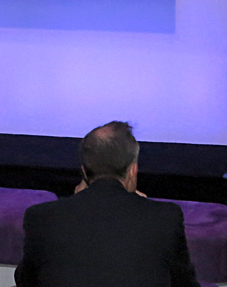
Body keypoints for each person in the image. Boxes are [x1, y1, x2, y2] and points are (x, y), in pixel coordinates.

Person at [15, 121, 198, 287]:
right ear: (133, 171)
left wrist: (72, 202)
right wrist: (145, 207)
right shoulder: (165, 217)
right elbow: (184, 283)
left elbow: (26, 281)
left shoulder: (42, 217)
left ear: (84, 172)